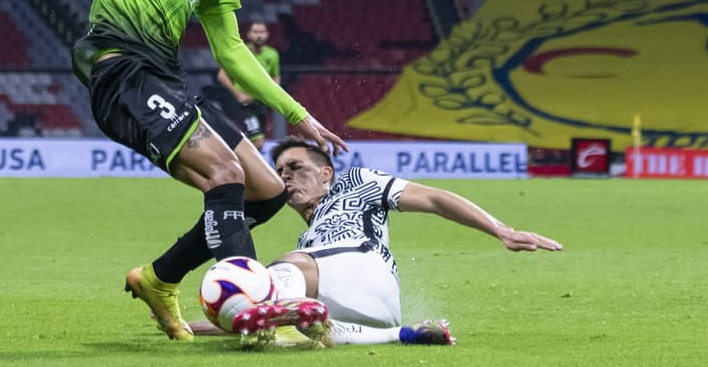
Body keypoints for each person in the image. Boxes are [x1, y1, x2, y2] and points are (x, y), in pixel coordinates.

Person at [2, 0, 347, 341]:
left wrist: (297, 112)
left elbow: (231, 50)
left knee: (267, 192)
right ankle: (248, 314)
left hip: (165, 77)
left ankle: (159, 278)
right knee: (226, 173)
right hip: (121, 70)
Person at [194, 138, 563, 348]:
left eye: (295, 168)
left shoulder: (356, 181)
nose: (286, 177)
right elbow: (259, 311)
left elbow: (434, 199)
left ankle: (283, 330)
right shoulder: (310, 239)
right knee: (305, 322)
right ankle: (405, 334)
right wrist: (190, 326)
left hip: (362, 267)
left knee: (281, 270)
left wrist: (502, 230)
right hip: (369, 310)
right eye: (280, 172)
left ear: (326, 174)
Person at [211, 20, 279, 150]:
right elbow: (222, 75)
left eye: (262, 32)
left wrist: (273, 94)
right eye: (255, 32)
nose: (259, 35)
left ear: (267, 34)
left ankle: (243, 166)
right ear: (248, 34)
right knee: (258, 141)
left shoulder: (273, 54)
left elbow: (275, 76)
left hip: (262, 103)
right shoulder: (239, 52)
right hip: (245, 105)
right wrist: (238, 95)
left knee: (257, 143)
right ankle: (231, 163)